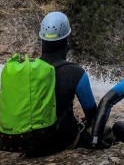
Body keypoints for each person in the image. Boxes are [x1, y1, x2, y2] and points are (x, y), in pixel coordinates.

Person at [34, 11, 98, 156]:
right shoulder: (76, 73)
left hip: (28, 141)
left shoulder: (28, 69)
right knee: (107, 133)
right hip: (58, 141)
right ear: (66, 41)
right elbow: (93, 115)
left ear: (42, 40)